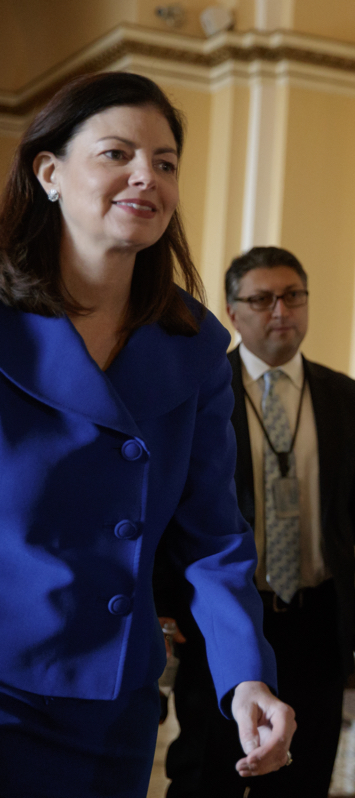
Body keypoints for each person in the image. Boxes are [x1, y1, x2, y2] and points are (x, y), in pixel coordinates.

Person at [0, 72, 295, 797]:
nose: (146, 177)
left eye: (164, 163)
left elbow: (213, 538)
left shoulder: (192, 345)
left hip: (114, 703)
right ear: (50, 173)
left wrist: (246, 677)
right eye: (116, 154)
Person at [156, 246, 355, 797]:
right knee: (205, 773)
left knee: (304, 775)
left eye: (293, 296)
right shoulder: (201, 389)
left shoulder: (347, 398)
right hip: (225, 620)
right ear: (233, 309)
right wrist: (166, 609)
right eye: (262, 299)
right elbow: (173, 512)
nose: (281, 311)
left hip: (318, 621)